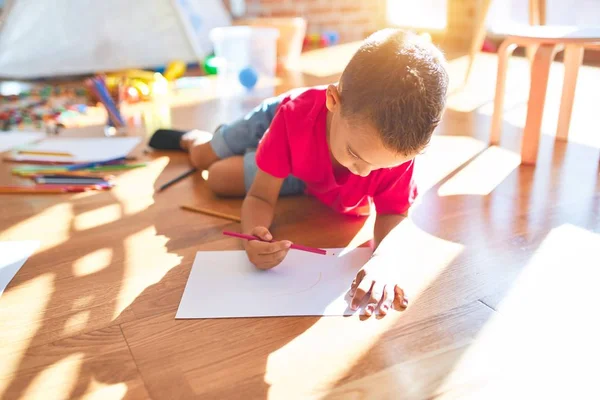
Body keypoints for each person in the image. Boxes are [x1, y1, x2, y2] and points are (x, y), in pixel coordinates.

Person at [176, 29, 448, 316]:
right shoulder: (294, 117)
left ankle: (273, 161)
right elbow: (260, 197)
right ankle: (194, 138)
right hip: (275, 121)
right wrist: (251, 240)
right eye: (356, 155)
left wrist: (384, 259)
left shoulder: (397, 146)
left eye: (382, 167)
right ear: (333, 100)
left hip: (304, 169)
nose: (365, 174)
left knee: (219, 177)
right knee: (204, 159)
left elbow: (394, 213)